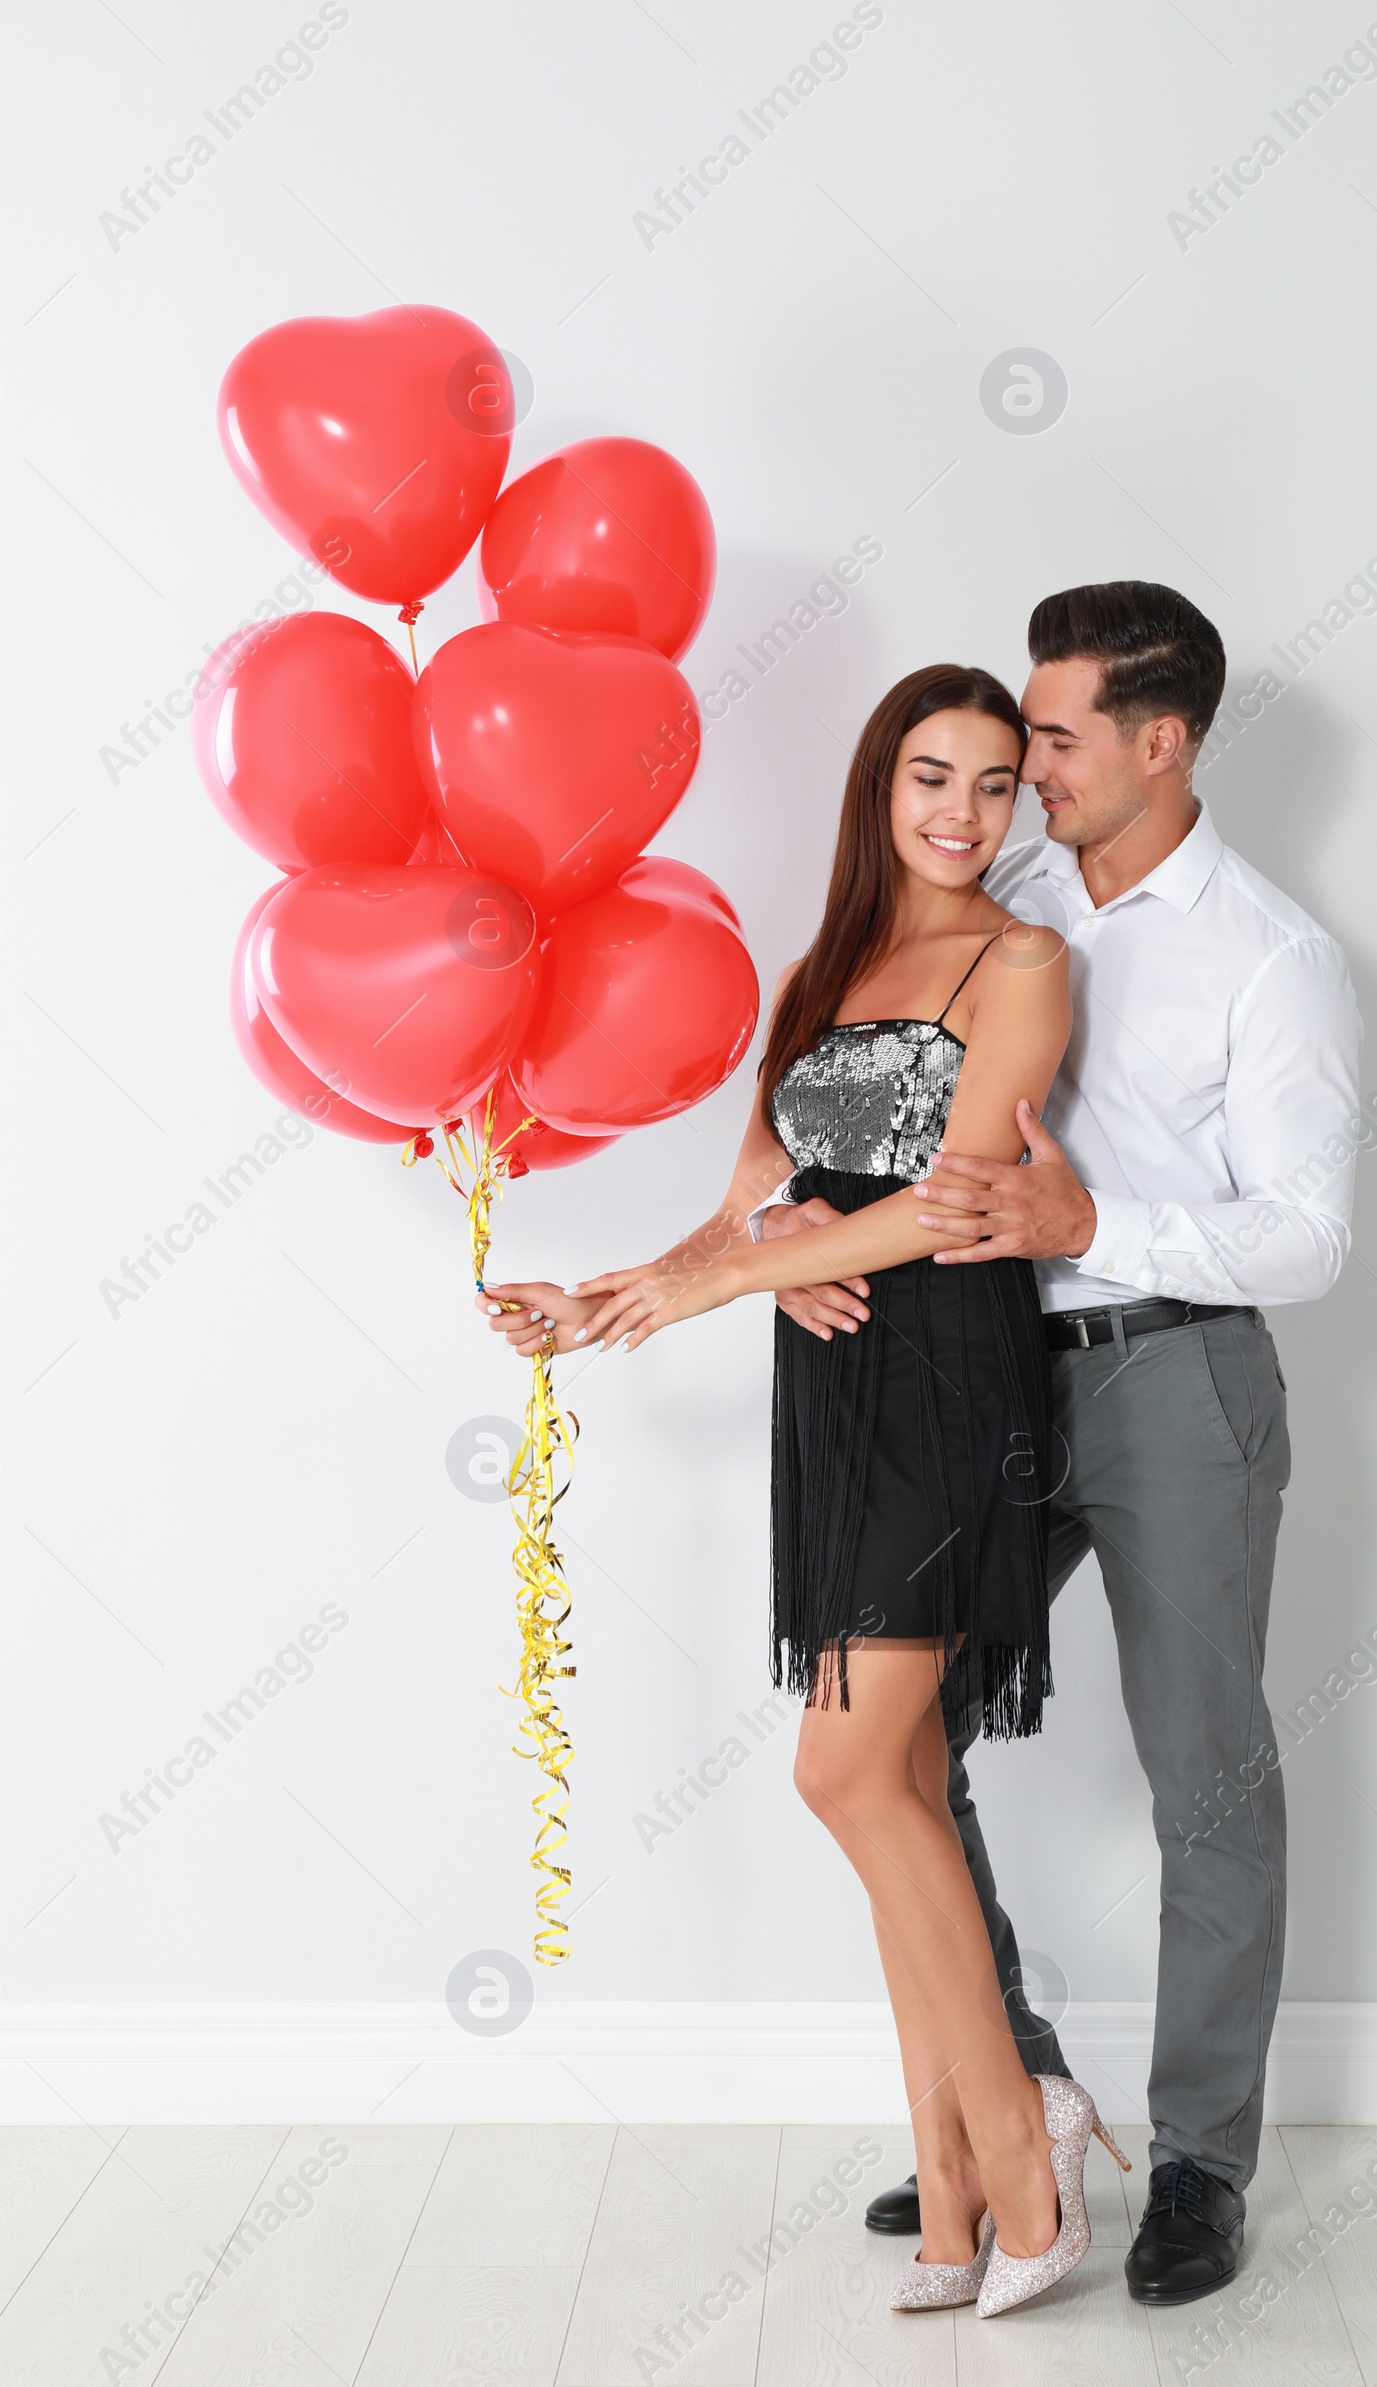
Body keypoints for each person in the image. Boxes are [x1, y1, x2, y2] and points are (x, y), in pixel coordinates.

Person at [482, 663, 1130, 2320]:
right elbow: (753, 1210)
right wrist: (622, 1286)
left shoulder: (1025, 959)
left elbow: (942, 1206)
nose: (965, 815)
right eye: (934, 777)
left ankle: (1027, 2155)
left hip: (951, 1383)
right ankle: (952, 2214)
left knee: (846, 1776)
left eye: (996, 784)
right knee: (890, 1779)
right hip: (831, 1391)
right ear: (879, 785)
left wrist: (734, 1281)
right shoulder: (821, 972)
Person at [761, 582, 1363, 2306]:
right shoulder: (1003, 889)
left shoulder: (1270, 953)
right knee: (890, 1739)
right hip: (977, 1385)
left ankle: (1196, 2166)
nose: (1021, 767)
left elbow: (1313, 1240)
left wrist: (1098, 1219)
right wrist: (789, 1240)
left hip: (1172, 1377)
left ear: (1162, 742)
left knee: (1207, 1781)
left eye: (1056, 736)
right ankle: (1008, 2088)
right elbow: (876, 1100)